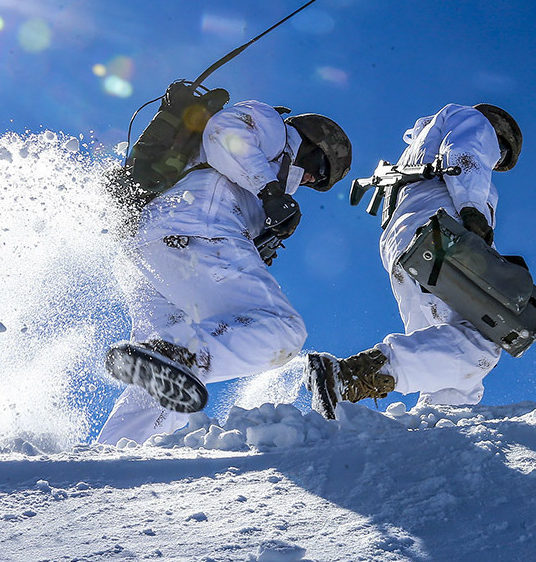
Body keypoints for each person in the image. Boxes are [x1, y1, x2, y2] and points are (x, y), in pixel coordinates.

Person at [97, 100, 352, 444]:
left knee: (162, 377)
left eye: (318, 183)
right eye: (320, 170)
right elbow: (225, 132)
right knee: (281, 328)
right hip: (194, 230)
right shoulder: (276, 130)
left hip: (152, 252)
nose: (310, 180)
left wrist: (262, 235)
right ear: (311, 141)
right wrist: (270, 190)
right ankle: (181, 353)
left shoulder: (259, 175)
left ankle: (115, 451)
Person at [305, 103, 523, 418]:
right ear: (498, 134)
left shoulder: (421, 147)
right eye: (500, 153)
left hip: (407, 245)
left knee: (443, 346)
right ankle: (347, 376)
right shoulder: (472, 121)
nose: (496, 158)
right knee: (483, 337)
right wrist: (473, 208)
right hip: (443, 232)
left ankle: (439, 420)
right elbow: (466, 154)